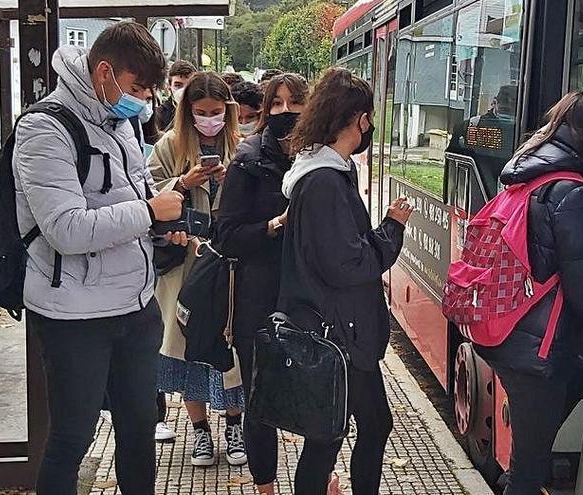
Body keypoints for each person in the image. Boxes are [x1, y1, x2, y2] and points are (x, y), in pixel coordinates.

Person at [12, 22, 185, 494]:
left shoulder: (122, 122)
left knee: (140, 428)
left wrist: (164, 227)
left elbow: (133, 195)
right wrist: (149, 211)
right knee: (72, 438)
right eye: (137, 87)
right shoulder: (44, 128)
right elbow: (65, 230)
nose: (143, 100)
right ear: (104, 71)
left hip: (135, 303)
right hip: (74, 315)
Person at [474, 91, 583, 495]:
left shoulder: (531, 176)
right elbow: (582, 289)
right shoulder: (576, 193)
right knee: (529, 472)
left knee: (529, 451)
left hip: (511, 331)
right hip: (537, 347)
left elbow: (549, 258)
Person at [278, 67, 414, 495]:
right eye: (368, 117)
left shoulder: (323, 173)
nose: (369, 126)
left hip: (340, 331)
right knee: (336, 434)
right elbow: (347, 264)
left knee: (348, 430)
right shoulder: (323, 182)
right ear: (359, 118)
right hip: (338, 334)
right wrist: (391, 227)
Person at [216, 72, 309, 495]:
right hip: (258, 298)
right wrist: (273, 226)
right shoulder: (247, 159)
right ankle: (265, 485)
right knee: (260, 399)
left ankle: (319, 474)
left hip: (310, 299)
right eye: (276, 103)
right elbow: (225, 234)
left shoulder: (322, 159)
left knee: (314, 389)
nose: (285, 111)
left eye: (294, 103)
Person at [148, 72, 246, 467]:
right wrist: (183, 181)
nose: (209, 119)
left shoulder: (240, 147)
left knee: (231, 343)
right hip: (184, 265)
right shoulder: (169, 146)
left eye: (217, 112)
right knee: (188, 344)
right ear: (187, 111)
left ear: (229, 112)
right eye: (201, 112)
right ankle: (200, 431)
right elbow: (146, 196)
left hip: (229, 267)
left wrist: (231, 179)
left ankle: (235, 426)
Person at [155, 60, 197, 131]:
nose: (183, 90)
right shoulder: (159, 115)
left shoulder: (201, 113)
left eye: (189, 85)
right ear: (169, 87)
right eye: (178, 85)